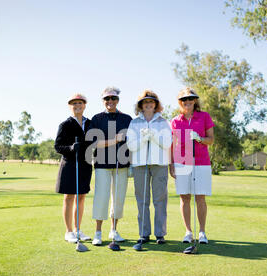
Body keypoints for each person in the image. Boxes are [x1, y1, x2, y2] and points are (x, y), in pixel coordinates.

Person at [169, 87, 215, 244]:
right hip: (181, 161)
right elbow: (171, 145)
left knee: (200, 197)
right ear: (180, 102)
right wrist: (171, 165)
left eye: (190, 99)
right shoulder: (175, 121)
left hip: (201, 162)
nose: (187, 102)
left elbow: (211, 139)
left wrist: (199, 138)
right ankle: (188, 231)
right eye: (184, 100)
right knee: (184, 197)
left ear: (195, 100)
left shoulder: (204, 116)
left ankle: (202, 232)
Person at [88, 86, 132, 246]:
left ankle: (114, 230)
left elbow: (131, 143)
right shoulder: (97, 119)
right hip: (102, 164)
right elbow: (94, 143)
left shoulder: (127, 119)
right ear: (103, 101)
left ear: (118, 100)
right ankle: (98, 233)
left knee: (118, 198)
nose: (110, 101)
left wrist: (132, 162)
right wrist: (115, 140)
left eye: (113, 98)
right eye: (107, 99)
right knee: (101, 197)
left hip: (122, 164)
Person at [126, 89, 172, 244]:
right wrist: (143, 139)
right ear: (141, 105)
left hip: (159, 164)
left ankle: (160, 234)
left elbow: (167, 143)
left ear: (156, 104)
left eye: (151, 102)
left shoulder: (163, 122)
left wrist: (153, 135)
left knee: (160, 199)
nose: (148, 104)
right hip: (140, 165)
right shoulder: (134, 122)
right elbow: (131, 146)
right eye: (145, 102)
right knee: (142, 200)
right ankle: (144, 234)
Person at [54, 93, 93, 243]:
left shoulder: (89, 123)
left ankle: (78, 230)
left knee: (81, 196)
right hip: (70, 164)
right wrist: (71, 148)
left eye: (80, 103)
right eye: (74, 103)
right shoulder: (65, 124)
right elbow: (57, 146)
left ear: (84, 105)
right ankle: (69, 231)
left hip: (85, 164)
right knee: (69, 197)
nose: (77, 106)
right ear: (70, 106)